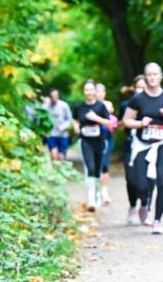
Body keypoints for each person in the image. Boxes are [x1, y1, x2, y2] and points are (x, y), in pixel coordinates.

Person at [122, 62, 163, 234]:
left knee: (162, 182)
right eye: (149, 74)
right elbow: (126, 121)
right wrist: (140, 123)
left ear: (161, 76)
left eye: (155, 74)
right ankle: (144, 202)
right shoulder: (138, 99)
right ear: (145, 77)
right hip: (142, 146)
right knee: (141, 185)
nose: (152, 77)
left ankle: (157, 220)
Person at [72, 81, 112, 212]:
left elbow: (108, 123)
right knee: (90, 168)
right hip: (85, 142)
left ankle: (97, 194)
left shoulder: (101, 106)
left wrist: (95, 118)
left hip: (99, 141)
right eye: (86, 90)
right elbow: (75, 119)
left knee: (97, 170)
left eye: (91, 89)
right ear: (84, 92)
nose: (89, 92)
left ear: (95, 91)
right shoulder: (79, 107)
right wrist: (76, 127)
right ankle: (91, 200)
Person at [118, 75, 146, 224]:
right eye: (139, 87)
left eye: (143, 87)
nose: (141, 90)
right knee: (131, 180)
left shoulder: (151, 104)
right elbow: (119, 125)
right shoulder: (125, 105)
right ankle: (133, 205)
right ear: (134, 89)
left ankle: (144, 205)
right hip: (130, 145)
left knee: (144, 180)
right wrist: (129, 119)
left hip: (147, 147)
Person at [95, 82, 118, 205]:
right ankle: (96, 191)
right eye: (97, 91)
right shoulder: (90, 105)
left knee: (104, 165)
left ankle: (104, 191)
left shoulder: (107, 104)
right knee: (95, 165)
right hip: (94, 139)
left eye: (102, 91)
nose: (99, 94)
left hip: (107, 137)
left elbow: (111, 119)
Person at [44, 88, 73, 161]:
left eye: (56, 96)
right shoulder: (45, 106)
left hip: (63, 135)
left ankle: (61, 170)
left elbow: (70, 119)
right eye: (52, 96)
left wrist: (64, 126)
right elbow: (41, 119)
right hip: (51, 134)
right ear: (49, 97)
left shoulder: (64, 105)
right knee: (54, 154)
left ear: (58, 96)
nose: (54, 98)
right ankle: (54, 171)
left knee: (61, 157)